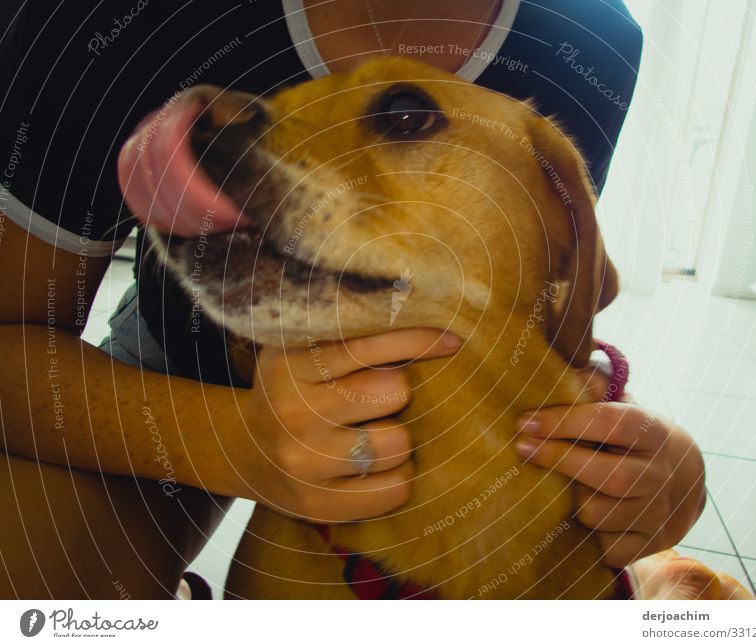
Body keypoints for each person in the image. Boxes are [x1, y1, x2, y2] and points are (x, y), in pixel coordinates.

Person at [0, 0, 705, 598]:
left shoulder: (590, 43)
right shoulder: (101, 19)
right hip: (174, 361)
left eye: (404, 115)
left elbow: (539, 308)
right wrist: (234, 442)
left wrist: (644, 459)